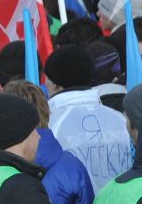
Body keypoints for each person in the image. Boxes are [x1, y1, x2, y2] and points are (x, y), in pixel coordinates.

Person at [44, 46, 133, 190]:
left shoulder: (49, 125)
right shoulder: (121, 119)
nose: (45, 83)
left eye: (46, 78)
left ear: (54, 83)